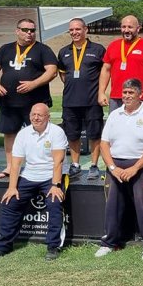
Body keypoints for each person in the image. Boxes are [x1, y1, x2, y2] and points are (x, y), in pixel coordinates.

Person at [0, 103, 68, 261]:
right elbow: (15, 164)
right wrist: (12, 187)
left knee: (55, 202)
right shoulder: (23, 134)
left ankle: (53, 246)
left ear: (48, 117)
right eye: (33, 115)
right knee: (9, 202)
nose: (36, 118)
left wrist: (56, 185)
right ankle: (3, 246)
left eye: (40, 115)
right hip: (28, 176)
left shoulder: (57, 132)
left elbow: (58, 162)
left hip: (51, 177)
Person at [95, 78, 143, 261]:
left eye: (130, 93)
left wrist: (135, 168)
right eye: (124, 92)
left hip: (141, 165)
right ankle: (109, 242)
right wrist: (112, 167)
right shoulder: (114, 115)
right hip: (115, 165)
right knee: (112, 205)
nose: (126, 96)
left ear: (140, 94)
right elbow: (104, 144)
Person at [0, 18, 58, 180]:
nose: (29, 33)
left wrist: (33, 84)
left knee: (41, 134)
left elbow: (52, 71)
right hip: (9, 101)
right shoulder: (5, 49)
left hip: (35, 102)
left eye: (32, 30)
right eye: (25, 30)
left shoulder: (43, 49)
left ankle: (44, 168)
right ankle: (11, 167)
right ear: (17, 31)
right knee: (9, 133)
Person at [57, 17, 106, 180]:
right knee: (72, 134)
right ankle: (75, 164)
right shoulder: (64, 51)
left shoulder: (98, 49)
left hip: (92, 101)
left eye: (78, 29)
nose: (74, 32)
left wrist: (99, 92)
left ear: (86, 30)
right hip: (70, 101)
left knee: (94, 134)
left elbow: (105, 73)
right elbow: (63, 74)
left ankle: (93, 165)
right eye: (71, 30)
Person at [99, 15, 143, 112]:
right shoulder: (113, 46)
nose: (126, 30)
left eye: (130, 27)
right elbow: (106, 69)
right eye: (123, 27)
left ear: (138, 28)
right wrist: (101, 92)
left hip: (140, 98)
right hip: (116, 98)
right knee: (116, 127)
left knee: (140, 126)